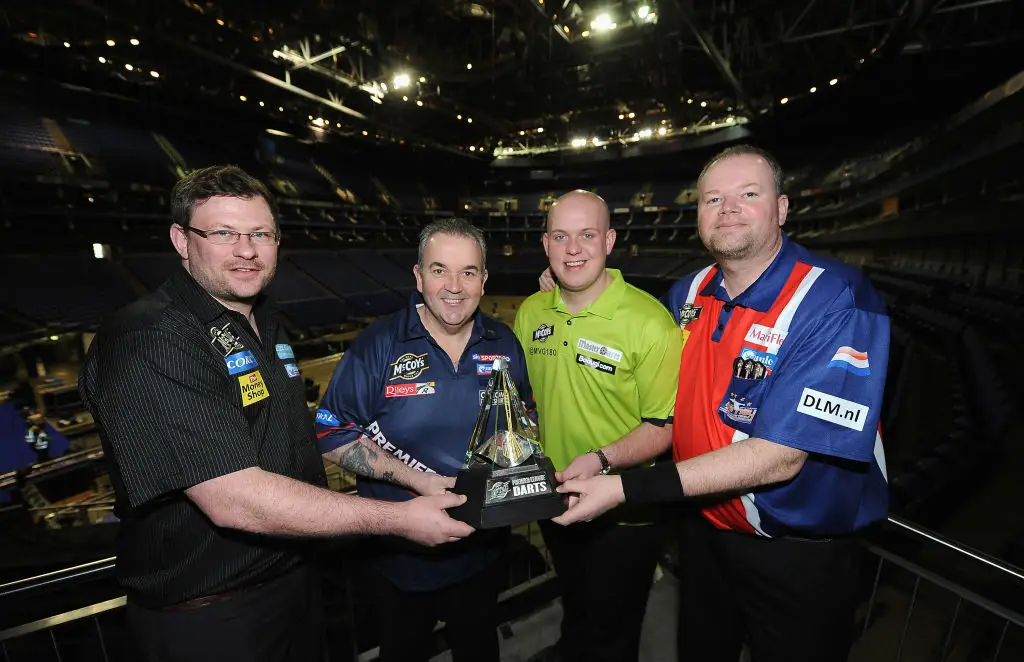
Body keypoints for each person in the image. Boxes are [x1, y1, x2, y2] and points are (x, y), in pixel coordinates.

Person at [79, 165, 473, 662]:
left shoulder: (262, 317)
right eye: (223, 233)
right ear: (182, 240)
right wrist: (397, 518)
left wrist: (416, 479)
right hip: (212, 617)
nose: (246, 250)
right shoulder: (154, 338)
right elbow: (235, 499)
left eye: (260, 234)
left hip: (292, 586)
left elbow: (278, 436)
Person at [551, 146, 890, 662]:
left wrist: (625, 487)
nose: (728, 208)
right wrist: (568, 289)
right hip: (705, 530)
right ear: (700, 218)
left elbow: (782, 454)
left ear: (781, 208)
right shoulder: (689, 292)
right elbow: (645, 368)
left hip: (795, 552)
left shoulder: (837, 298)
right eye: (714, 199)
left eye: (748, 195)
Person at [315, 218, 534, 662]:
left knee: (478, 650)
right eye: (439, 270)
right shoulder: (377, 346)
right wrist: (417, 479)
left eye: (468, 272)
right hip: (399, 561)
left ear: (484, 279)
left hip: (483, 549)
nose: (454, 286)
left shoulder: (504, 342)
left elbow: (522, 416)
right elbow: (331, 432)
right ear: (418, 277)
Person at [514, 190, 682, 662]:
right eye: (561, 237)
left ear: (608, 240)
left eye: (587, 235)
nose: (573, 249)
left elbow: (662, 427)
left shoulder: (651, 323)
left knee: (614, 631)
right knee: (577, 601)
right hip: (555, 496)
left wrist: (601, 460)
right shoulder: (531, 313)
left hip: (625, 513)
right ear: (546, 244)